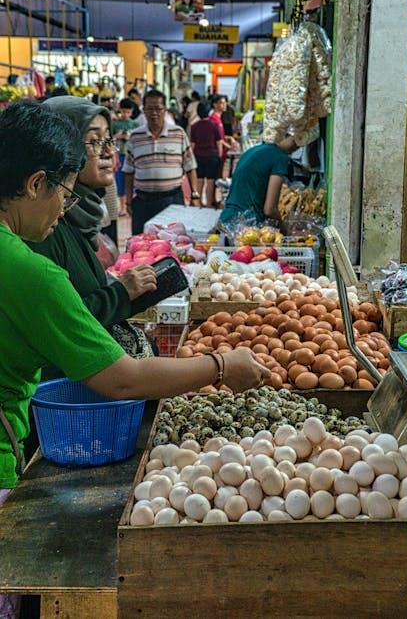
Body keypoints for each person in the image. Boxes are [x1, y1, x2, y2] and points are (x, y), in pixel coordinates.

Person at [0, 101, 269, 617]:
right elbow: (122, 380)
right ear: (34, 184)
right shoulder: (31, 272)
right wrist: (220, 366)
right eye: (62, 190)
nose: (65, 205)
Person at [28, 95, 157, 359]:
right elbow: (57, 324)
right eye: (95, 140)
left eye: (110, 139)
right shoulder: (43, 227)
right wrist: (120, 294)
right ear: (62, 147)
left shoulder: (82, 218)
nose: (109, 151)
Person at [124, 89, 199, 234]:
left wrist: (195, 195)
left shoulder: (178, 133)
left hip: (172, 201)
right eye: (150, 109)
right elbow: (128, 171)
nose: (154, 113)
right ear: (143, 110)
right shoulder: (135, 136)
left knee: (175, 246)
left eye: (158, 109)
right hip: (143, 202)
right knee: (142, 247)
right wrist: (128, 200)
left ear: (165, 110)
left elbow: (190, 166)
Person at [219, 138, 297, 227]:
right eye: (297, 140)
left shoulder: (254, 150)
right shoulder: (281, 158)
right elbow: (270, 210)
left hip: (226, 219)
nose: (298, 146)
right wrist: (284, 231)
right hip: (247, 225)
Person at [190, 102, 222, 208]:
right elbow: (219, 143)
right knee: (210, 181)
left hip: (198, 156)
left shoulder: (194, 126)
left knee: (199, 181)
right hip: (212, 157)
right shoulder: (214, 125)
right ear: (209, 112)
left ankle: (198, 204)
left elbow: (192, 145)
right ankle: (208, 204)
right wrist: (220, 156)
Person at [112, 97, 139, 215]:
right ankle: (122, 207)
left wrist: (130, 137)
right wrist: (117, 136)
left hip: (132, 156)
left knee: (132, 181)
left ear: (132, 112)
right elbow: (109, 139)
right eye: (123, 112)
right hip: (119, 156)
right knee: (120, 181)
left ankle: (131, 204)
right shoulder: (114, 124)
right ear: (119, 110)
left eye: (128, 112)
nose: (125, 114)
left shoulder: (135, 124)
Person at [209, 95, 236, 177]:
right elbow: (218, 139)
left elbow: (221, 136)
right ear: (215, 105)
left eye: (225, 103)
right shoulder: (213, 119)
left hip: (221, 152)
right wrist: (230, 147)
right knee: (216, 177)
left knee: (219, 175)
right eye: (221, 103)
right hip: (217, 153)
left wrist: (230, 138)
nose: (224, 105)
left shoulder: (218, 118)